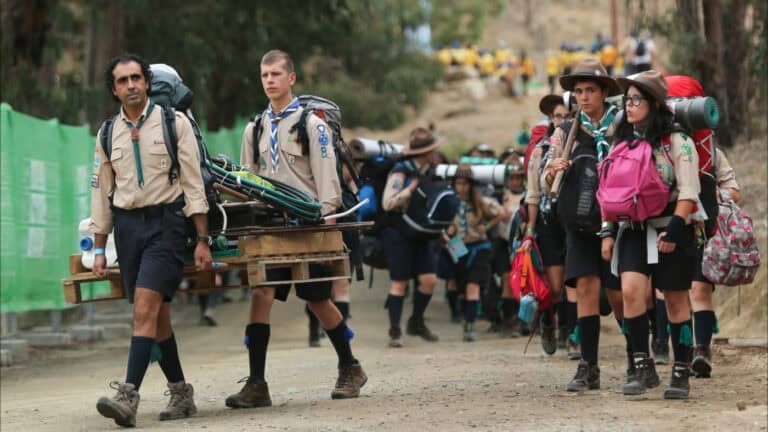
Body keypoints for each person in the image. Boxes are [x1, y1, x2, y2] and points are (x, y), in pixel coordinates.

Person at [230, 50, 367, 407]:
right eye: (265, 75)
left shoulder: (311, 125)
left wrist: (328, 224)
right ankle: (257, 383)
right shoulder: (254, 127)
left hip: (309, 226)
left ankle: (350, 366)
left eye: (277, 74)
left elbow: (325, 177)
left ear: (291, 79)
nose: (270, 80)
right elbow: (247, 178)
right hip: (270, 227)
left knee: (317, 299)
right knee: (261, 295)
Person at [91, 53, 211, 427]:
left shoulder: (174, 124)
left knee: (144, 308)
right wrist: (97, 247)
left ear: (146, 82)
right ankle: (181, 392)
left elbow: (193, 184)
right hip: (128, 230)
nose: (130, 86)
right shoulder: (107, 133)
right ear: (114, 89)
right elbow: (101, 193)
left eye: (136, 78)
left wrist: (203, 238)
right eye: (122, 81)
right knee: (156, 316)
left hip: (167, 225)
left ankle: (128, 396)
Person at [605, 70, 701, 398]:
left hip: (671, 226)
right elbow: (610, 190)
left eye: (636, 100)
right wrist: (607, 231)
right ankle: (641, 364)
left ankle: (681, 371)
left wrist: (675, 230)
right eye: (626, 100)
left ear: (654, 103)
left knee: (675, 300)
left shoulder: (678, 141)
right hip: (632, 228)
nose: (628, 107)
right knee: (631, 291)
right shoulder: (622, 142)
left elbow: (689, 191)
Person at [543, 59, 623, 391]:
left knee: (621, 295)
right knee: (586, 289)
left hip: (620, 222)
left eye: (590, 90)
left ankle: (638, 358)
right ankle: (588, 366)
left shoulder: (622, 126)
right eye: (578, 91)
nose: (584, 97)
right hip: (579, 220)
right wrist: (552, 169)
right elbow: (547, 178)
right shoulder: (565, 131)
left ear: (604, 92)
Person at [665, 74, 741, 379]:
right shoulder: (658, 148)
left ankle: (701, 351)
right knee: (674, 294)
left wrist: (705, 192)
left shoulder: (711, 152)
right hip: (670, 229)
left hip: (703, 231)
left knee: (699, 291)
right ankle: (676, 352)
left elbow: (734, 189)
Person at [381, 127, 444, 347]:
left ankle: (416, 321)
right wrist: (410, 189)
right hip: (399, 233)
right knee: (399, 283)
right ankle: (395, 331)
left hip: (422, 233)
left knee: (429, 281)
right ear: (424, 152)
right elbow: (388, 203)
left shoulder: (429, 171)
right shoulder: (401, 172)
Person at [522, 94, 571, 355]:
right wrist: (530, 229)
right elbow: (533, 194)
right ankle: (547, 322)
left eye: (567, 116)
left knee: (574, 281)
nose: (563, 121)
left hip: (575, 219)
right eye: (558, 117)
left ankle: (570, 330)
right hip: (547, 222)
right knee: (554, 286)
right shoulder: (540, 151)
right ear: (551, 120)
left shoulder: (582, 146)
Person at [446, 164, 508, 341]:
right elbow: (435, 222)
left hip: (479, 245)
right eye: (458, 183)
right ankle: (463, 316)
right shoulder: (448, 203)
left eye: (466, 184)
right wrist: (447, 230)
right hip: (457, 245)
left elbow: (502, 213)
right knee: (461, 285)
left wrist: (487, 226)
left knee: (473, 285)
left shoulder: (481, 202)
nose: (462, 187)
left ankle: (470, 325)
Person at [495, 156, 526, 337]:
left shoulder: (528, 195)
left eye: (518, 177)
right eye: (511, 177)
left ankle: (523, 319)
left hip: (522, 243)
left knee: (523, 283)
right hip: (502, 242)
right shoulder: (499, 197)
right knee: (507, 281)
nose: (515, 181)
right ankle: (509, 320)